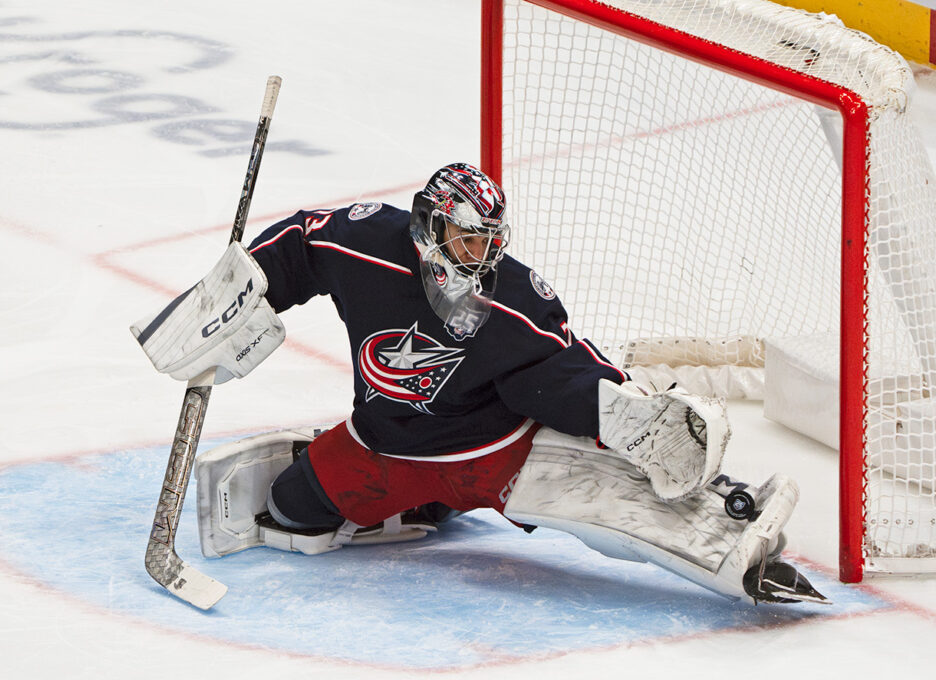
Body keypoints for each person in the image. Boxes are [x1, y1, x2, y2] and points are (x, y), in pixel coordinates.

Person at [198, 162, 827, 605]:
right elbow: (303, 241)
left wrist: (624, 412)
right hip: (383, 448)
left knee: (619, 522)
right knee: (285, 512)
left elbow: (568, 372)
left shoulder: (514, 300)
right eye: (466, 236)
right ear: (427, 225)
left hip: (496, 460)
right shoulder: (365, 246)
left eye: (489, 241)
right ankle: (423, 503)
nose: (478, 255)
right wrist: (248, 287)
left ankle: (734, 536)